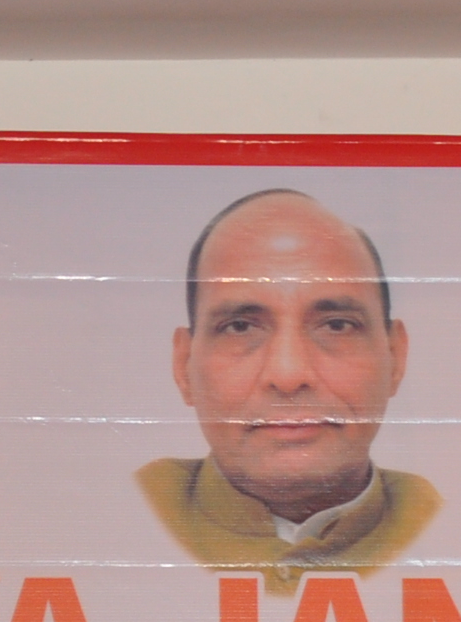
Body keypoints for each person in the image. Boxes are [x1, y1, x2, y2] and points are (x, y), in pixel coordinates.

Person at [137, 188, 438, 590]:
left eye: (336, 325)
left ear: (395, 356)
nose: (289, 374)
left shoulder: (443, 520)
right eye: (240, 326)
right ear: (184, 367)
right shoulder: (129, 512)